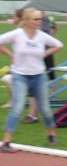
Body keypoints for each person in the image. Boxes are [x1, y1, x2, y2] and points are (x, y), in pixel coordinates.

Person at [0, 8, 63, 153]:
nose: (39, 22)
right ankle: (6, 141)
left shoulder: (42, 36)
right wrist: (10, 55)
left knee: (45, 108)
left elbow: (59, 45)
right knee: (17, 107)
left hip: (38, 76)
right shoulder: (17, 34)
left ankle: (51, 133)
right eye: (36, 19)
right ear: (26, 20)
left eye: (40, 19)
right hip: (20, 76)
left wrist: (46, 53)